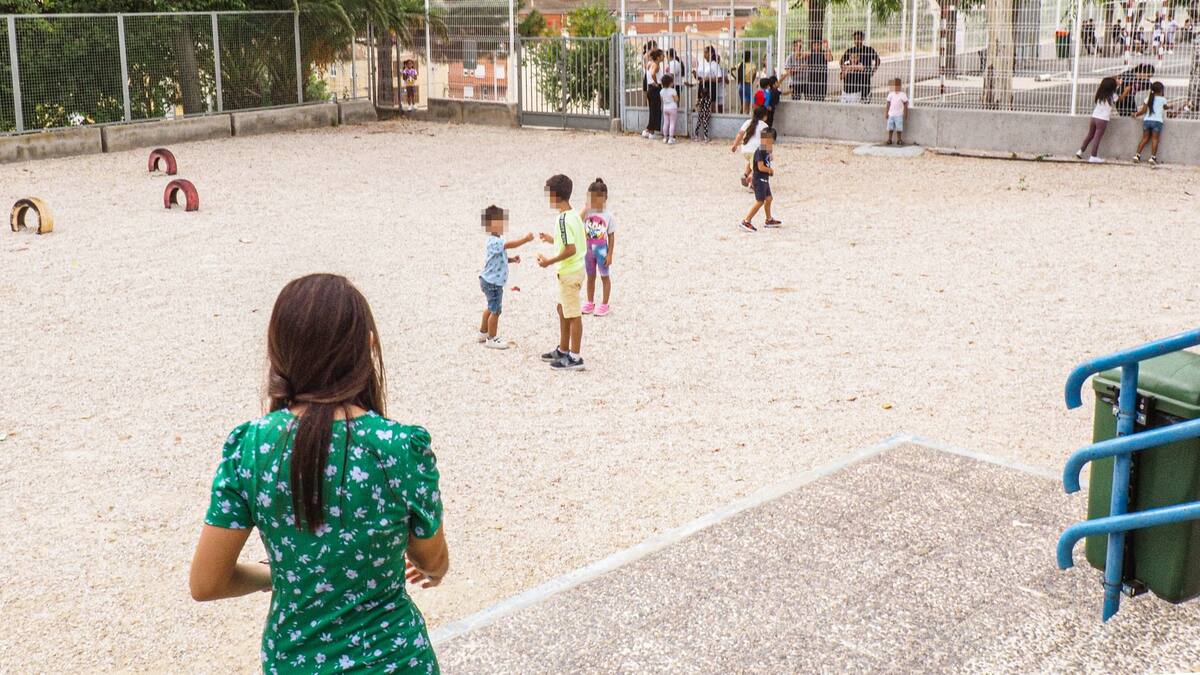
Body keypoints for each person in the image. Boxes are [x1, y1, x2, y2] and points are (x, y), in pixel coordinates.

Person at [189, 273, 449, 673]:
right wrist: (429, 569)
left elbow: (207, 583)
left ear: (278, 352)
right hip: (396, 661)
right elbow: (432, 560)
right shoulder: (400, 447)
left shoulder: (252, 448)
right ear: (368, 347)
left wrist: (273, 575)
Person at [537, 175, 586, 371]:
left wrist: (549, 261)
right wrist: (552, 239)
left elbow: (570, 249)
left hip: (569, 273)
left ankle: (575, 356)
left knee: (573, 314)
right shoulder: (573, 215)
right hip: (575, 270)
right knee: (562, 309)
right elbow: (569, 240)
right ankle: (563, 348)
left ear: (556, 196)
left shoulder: (562, 220)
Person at [478, 205, 533, 349]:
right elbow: (509, 245)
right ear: (491, 225)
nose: (503, 224)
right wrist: (525, 239)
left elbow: (500, 258)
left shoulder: (496, 240)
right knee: (496, 311)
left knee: (490, 308)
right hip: (493, 283)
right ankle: (492, 338)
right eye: (500, 222)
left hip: (488, 280)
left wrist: (512, 260)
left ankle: (483, 333)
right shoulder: (495, 241)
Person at [581, 178, 615, 316]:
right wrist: (586, 207)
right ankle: (590, 301)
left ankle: (605, 303)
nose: (595, 201)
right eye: (592, 198)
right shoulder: (587, 213)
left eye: (598, 198)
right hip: (588, 251)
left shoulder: (608, 216)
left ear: (605, 198)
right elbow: (577, 221)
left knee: (604, 276)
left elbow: (611, 236)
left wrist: (610, 254)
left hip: (601, 251)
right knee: (590, 276)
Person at [740, 128, 780, 233]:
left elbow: (767, 160)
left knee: (769, 198)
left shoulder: (766, 149)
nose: (764, 141)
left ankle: (769, 219)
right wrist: (770, 170)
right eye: (763, 138)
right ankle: (746, 220)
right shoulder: (760, 151)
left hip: (764, 179)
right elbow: (760, 167)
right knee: (760, 201)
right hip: (759, 179)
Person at [1076, 76, 1119, 163]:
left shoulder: (1100, 94)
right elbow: (1119, 99)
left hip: (1094, 117)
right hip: (1102, 119)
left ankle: (1080, 151)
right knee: (1097, 138)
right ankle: (1093, 156)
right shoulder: (1113, 96)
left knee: (1090, 135)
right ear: (1112, 87)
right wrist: (1124, 90)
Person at [730, 106, 769, 188]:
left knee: (752, 162)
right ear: (764, 116)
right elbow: (766, 142)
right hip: (756, 151)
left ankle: (745, 175)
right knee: (758, 167)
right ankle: (753, 183)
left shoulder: (748, 122)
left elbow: (740, 134)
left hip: (745, 150)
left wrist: (735, 145)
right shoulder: (765, 126)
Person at [1133, 81, 1171, 165]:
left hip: (1147, 121)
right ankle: (1152, 157)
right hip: (1157, 122)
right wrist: (1169, 106)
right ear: (1161, 90)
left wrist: (1135, 114)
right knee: (1155, 139)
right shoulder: (1163, 99)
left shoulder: (1147, 98)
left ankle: (1137, 155)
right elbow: (1165, 107)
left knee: (1144, 138)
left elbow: (1143, 111)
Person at [841, 30, 881, 102]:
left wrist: (873, 71)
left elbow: (878, 60)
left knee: (865, 101)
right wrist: (844, 70)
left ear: (862, 39)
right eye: (855, 38)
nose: (857, 40)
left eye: (859, 38)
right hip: (852, 83)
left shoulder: (869, 50)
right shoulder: (850, 50)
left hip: (865, 80)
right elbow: (841, 61)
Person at [643, 49, 664, 140]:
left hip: (650, 89)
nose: (664, 57)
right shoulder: (656, 65)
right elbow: (652, 73)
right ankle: (651, 132)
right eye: (662, 55)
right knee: (656, 110)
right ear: (658, 57)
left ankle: (648, 130)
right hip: (655, 89)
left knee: (652, 110)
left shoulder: (649, 64)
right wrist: (656, 82)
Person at [884, 78, 909, 145]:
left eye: (898, 85)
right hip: (891, 114)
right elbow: (888, 103)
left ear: (900, 86)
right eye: (895, 85)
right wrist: (886, 113)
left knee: (899, 128)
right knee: (890, 127)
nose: (896, 87)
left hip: (899, 115)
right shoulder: (890, 94)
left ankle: (899, 139)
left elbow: (906, 103)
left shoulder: (903, 95)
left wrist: (906, 113)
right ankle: (889, 139)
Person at [736, 50, 759, 115]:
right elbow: (754, 74)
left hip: (740, 86)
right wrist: (752, 81)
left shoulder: (739, 64)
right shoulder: (752, 66)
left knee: (742, 105)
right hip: (748, 86)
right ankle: (744, 121)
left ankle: (739, 118)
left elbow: (732, 70)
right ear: (750, 57)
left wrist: (736, 78)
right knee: (747, 108)